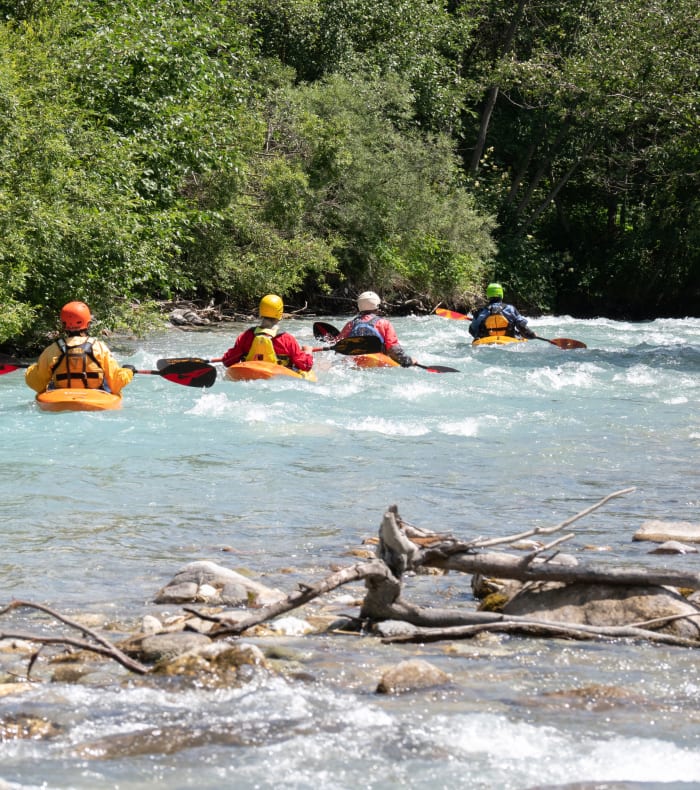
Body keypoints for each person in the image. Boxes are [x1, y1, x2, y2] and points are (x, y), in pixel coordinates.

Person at [25, 301, 136, 394]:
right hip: (95, 397)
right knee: (107, 383)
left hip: (61, 398)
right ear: (87, 324)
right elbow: (116, 383)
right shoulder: (99, 347)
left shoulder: (52, 350)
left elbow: (37, 383)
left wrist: (33, 368)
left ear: (63, 325)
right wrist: (128, 371)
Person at [221, 294, 314, 372]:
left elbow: (227, 361)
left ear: (261, 312)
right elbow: (306, 366)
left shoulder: (245, 336)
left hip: (251, 374)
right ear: (280, 314)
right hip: (277, 376)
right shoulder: (287, 339)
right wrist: (308, 352)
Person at [337, 291, 416, 367]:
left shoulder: (350, 324)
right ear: (377, 306)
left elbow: (338, 344)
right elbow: (393, 348)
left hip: (354, 361)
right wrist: (406, 359)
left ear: (359, 306)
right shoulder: (384, 323)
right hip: (377, 362)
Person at [469, 283, 536, 341]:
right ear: (501, 294)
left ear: (488, 295)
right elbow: (521, 325)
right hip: (509, 340)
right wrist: (531, 334)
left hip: (487, 341)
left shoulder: (480, 312)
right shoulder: (510, 309)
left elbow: (472, 330)